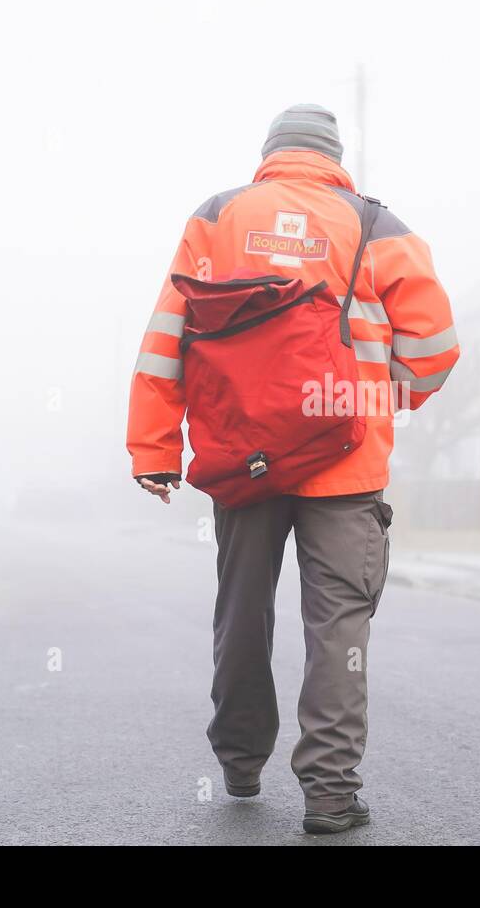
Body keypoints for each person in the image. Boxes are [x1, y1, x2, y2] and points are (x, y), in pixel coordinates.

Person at [126, 104, 459, 834]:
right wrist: (380, 395)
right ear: (335, 156)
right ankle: (331, 795)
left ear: (271, 153)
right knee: (338, 628)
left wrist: (155, 448)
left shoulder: (218, 217)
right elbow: (434, 348)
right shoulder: (377, 226)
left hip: (243, 460)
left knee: (243, 611)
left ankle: (241, 761)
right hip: (346, 463)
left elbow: (167, 338)